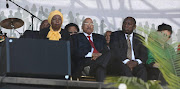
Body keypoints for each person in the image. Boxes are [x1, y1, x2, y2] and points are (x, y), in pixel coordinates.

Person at [71, 18, 110, 82]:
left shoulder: (100, 37)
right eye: (86, 24)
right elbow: (75, 52)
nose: (89, 26)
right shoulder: (75, 37)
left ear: (93, 27)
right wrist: (92, 54)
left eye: (91, 24)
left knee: (101, 69)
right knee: (102, 67)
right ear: (82, 27)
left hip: (98, 64)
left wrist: (99, 56)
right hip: (86, 63)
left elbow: (106, 51)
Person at [109, 17, 147, 81]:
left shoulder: (140, 38)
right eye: (124, 23)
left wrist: (136, 62)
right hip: (121, 63)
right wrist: (127, 62)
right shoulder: (115, 35)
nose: (126, 26)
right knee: (125, 69)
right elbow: (115, 51)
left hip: (135, 63)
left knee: (142, 70)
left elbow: (144, 54)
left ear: (134, 27)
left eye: (129, 24)